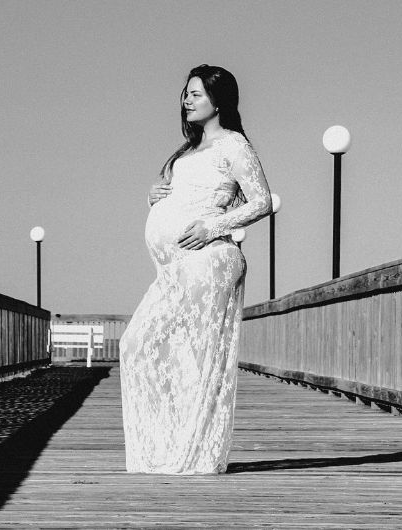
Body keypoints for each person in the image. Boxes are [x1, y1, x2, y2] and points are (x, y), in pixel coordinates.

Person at [119, 64, 272, 474]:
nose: (187, 100)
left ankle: (196, 457)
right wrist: (155, 198)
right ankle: (165, 450)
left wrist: (213, 227)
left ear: (219, 100)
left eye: (197, 94)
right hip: (173, 269)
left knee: (198, 358)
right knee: (134, 345)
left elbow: (261, 202)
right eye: (186, 93)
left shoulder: (234, 146)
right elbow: (182, 198)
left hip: (209, 262)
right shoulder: (188, 151)